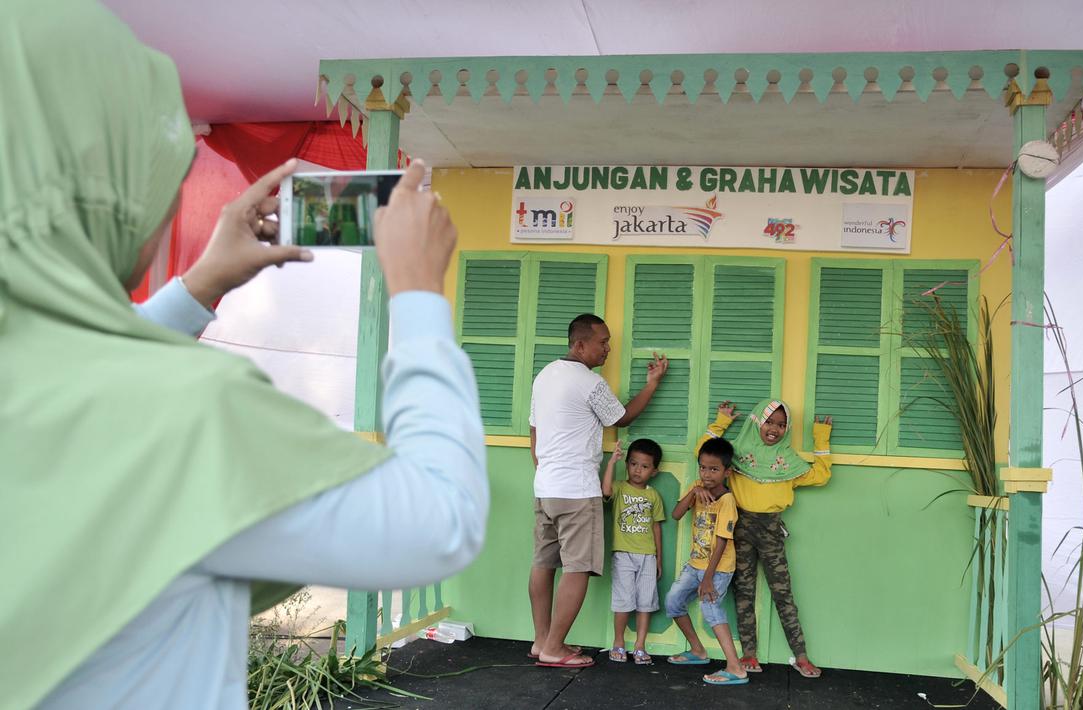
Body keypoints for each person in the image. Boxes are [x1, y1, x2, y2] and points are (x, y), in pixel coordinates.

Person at [1, 4, 488, 707]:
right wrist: (417, 292)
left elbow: (68, 386)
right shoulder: (181, 415)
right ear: (108, 193)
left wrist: (198, 288)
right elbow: (439, 522)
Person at [527, 314, 668, 669]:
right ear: (580, 345)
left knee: (543, 563)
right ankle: (555, 648)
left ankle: (541, 641)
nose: (608, 348)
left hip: (546, 487)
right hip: (576, 490)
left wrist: (544, 471)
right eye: (602, 342)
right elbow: (621, 418)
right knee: (577, 568)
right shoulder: (589, 382)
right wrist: (652, 384)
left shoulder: (544, 376)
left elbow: (534, 430)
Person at [695, 398, 834, 678]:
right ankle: (749, 654)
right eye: (769, 421)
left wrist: (821, 437)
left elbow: (821, 475)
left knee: (783, 593)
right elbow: (703, 453)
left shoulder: (789, 462)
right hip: (740, 527)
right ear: (758, 420)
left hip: (771, 530)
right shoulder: (737, 455)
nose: (774, 429)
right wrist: (721, 422)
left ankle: (802, 656)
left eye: (782, 425)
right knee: (743, 591)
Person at [663, 438, 748, 686]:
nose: (707, 474)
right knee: (673, 601)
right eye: (703, 467)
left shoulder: (727, 501)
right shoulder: (697, 488)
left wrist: (709, 578)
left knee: (711, 609)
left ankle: (736, 667)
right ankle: (698, 650)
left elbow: (722, 541)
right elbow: (676, 514)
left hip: (718, 569)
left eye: (714, 469)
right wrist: (693, 492)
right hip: (695, 564)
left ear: (726, 472)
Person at [600, 438, 665, 665]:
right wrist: (611, 463)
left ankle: (639, 646)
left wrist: (658, 558)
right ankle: (619, 642)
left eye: (645, 466)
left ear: (654, 471)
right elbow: (605, 490)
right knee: (623, 600)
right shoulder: (619, 487)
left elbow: (656, 526)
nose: (638, 470)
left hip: (648, 555)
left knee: (645, 601)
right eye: (633, 464)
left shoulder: (653, 495)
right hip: (623, 554)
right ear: (627, 464)